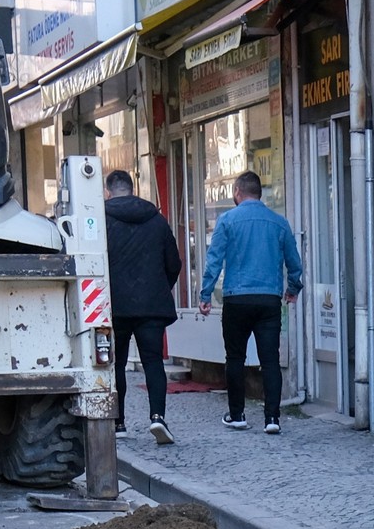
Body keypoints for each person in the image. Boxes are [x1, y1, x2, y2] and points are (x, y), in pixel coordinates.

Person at [198, 172, 302, 435]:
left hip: (237, 298)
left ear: (237, 192)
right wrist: (293, 288)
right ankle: (272, 419)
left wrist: (205, 295)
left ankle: (237, 415)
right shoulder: (279, 223)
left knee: (235, 357)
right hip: (268, 300)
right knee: (270, 360)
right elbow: (294, 262)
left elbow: (214, 260)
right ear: (259, 193)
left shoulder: (227, 220)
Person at [102, 169, 183, 445]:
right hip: (151, 306)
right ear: (132, 189)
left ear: (108, 191)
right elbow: (175, 263)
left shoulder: (101, 220)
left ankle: (119, 422)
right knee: (153, 362)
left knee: (118, 364)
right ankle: (158, 418)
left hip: (115, 306)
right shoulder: (157, 220)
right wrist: (160, 287)